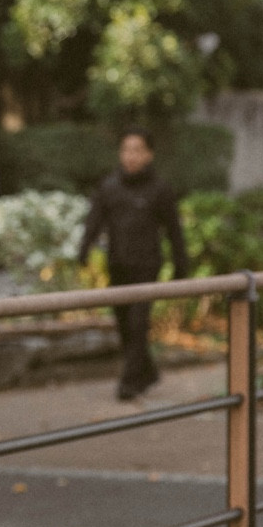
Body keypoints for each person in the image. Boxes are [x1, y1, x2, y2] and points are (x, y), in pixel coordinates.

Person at [78, 126, 188, 401]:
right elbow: (94, 220)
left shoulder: (160, 189)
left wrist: (180, 265)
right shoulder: (110, 186)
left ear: (149, 154)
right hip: (117, 265)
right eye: (127, 150)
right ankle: (148, 372)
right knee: (125, 327)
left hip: (146, 267)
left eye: (138, 150)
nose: (131, 156)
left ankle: (127, 384)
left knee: (139, 325)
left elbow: (174, 230)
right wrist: (83, 250)